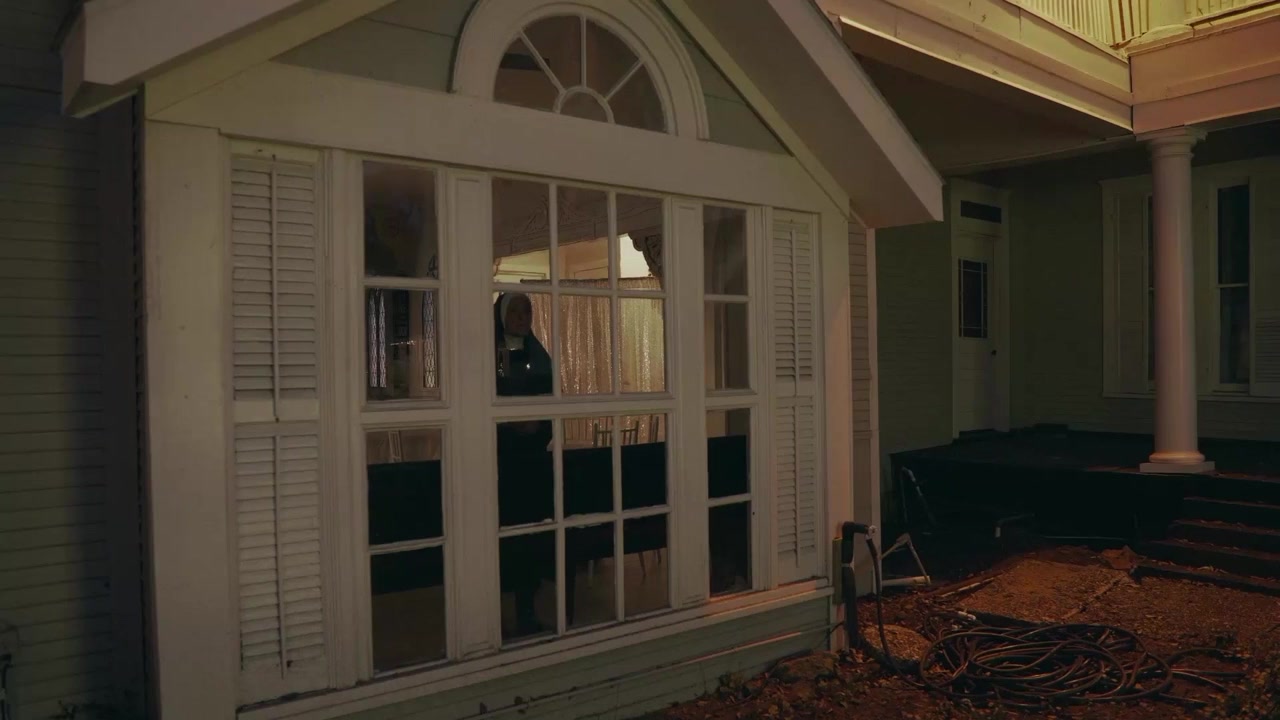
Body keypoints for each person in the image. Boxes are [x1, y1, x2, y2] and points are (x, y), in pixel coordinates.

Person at [493, 293, 555, 638]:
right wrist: (513, 424)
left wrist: (537, 426)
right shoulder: (495, 354)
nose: (521, 317)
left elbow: (550, 402)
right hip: (503, 463)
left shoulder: (538, 353)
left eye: (526, 311)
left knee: (530, 540)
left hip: (532, 463)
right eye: (514, 311)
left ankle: (526, 613)